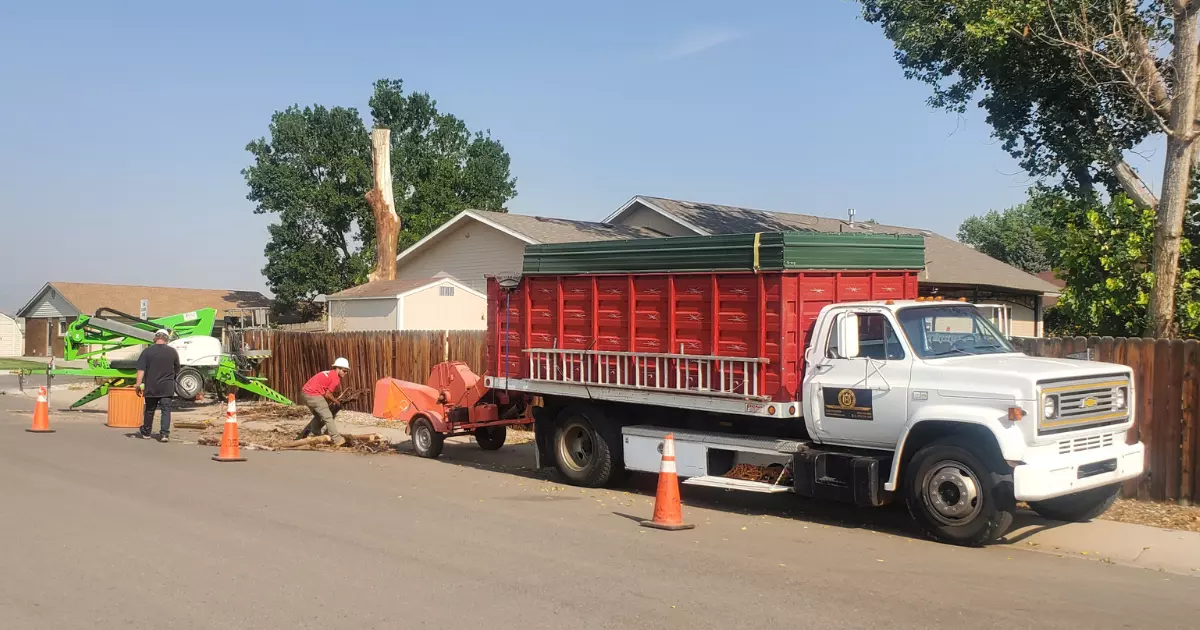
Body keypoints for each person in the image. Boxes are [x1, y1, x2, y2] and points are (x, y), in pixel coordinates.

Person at [135, 329, 179, 443]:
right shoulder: (172, 352)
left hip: (151, 386)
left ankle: (146, 432)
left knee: (149, 410)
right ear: (167, 339)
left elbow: (141, 370)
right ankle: (164, 434)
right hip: (167, 386)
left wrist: (138, 384)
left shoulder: (147, 352)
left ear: (155, 338)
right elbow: (177, 369)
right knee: (166, 410)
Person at [301, 358, 349, 447]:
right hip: (313, 394)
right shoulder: (335, 379)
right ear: (337, 368)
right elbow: (328, 394)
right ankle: (337, 439)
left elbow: (323, 389)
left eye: (346, 372)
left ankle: (316, 434)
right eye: (344, 371)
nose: (345, 373)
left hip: (305, 393)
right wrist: (336, 402)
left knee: (319, 415)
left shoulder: (327, 373)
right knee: (328, 416)